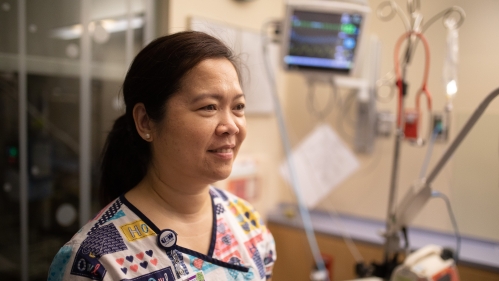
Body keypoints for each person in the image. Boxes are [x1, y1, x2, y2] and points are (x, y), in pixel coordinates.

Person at [48, 31, 276, 281]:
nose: (231, 125)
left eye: (238, 107)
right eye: (209, 107)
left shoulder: (247, 223)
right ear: (145, 121)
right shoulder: (96, 262)